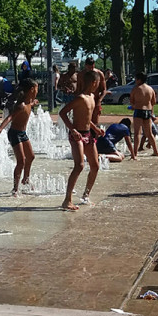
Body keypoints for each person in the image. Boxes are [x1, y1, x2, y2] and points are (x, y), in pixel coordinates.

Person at [58, 70, 104, 211]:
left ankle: (86, 195)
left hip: (88, 134)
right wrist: (73, 129)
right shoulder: (81, 98)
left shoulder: (92, 97)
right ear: (94, 83)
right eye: (98, 84)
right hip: (77, 135)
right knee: (79, 165)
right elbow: (63, 113)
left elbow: (87, 118)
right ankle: (67, 200)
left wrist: (95, 129)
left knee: (95, 166)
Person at [0, 79, 39, 196]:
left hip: (22, 133)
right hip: (14, 133)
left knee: (31, 157)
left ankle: (26, 179)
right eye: (37, 88)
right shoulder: (21, 105)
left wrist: (34, 103)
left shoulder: (28, 102)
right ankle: (15, 188)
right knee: (21, 161)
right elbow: (9, 118)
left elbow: (31, 104)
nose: (38, 91)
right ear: (32, 90)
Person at [128, 72, 158, 156]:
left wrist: (133, 106)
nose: (135, 81)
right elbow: (153, 102)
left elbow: (132, 101)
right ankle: (156, 151)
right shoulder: (150, 89)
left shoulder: (136, 89)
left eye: (136, 79)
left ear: (139, 79)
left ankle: (135, 153)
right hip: (148, 111)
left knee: (138, 133)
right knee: (149, 133)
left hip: (138, 110)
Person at [80, 58, 107, 124]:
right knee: (85, 120)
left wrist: (99, 101)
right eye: (89, 67)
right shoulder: (81, 74)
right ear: (85, 66)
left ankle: (95, 133)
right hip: (85, 100)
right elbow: (79, 89)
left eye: (92, 67)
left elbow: (104, 90)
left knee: (95, 121)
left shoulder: (99, 74)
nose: (91, 69)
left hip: (96, 99)